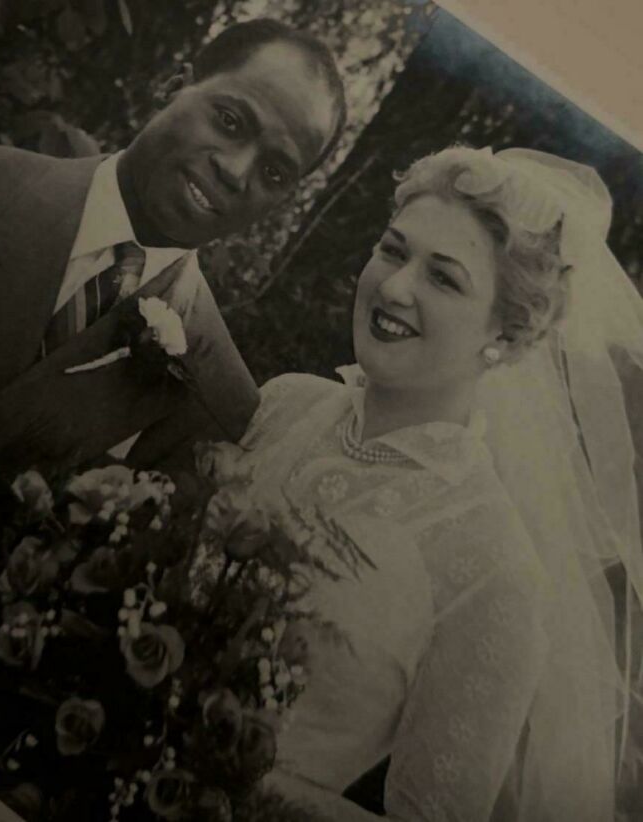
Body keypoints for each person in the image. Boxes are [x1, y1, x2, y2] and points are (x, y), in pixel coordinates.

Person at [223, 146, 643, 820]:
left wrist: (223, 776)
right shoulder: (283, 405)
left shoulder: (495, 570)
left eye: (443, 279)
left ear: (506, 337)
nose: (395, 286)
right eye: (393, 251)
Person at [0, 18, 345, 500]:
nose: (236, 172)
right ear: (173, 86)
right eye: (231, 121)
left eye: (275, 171)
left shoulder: (218, 402)